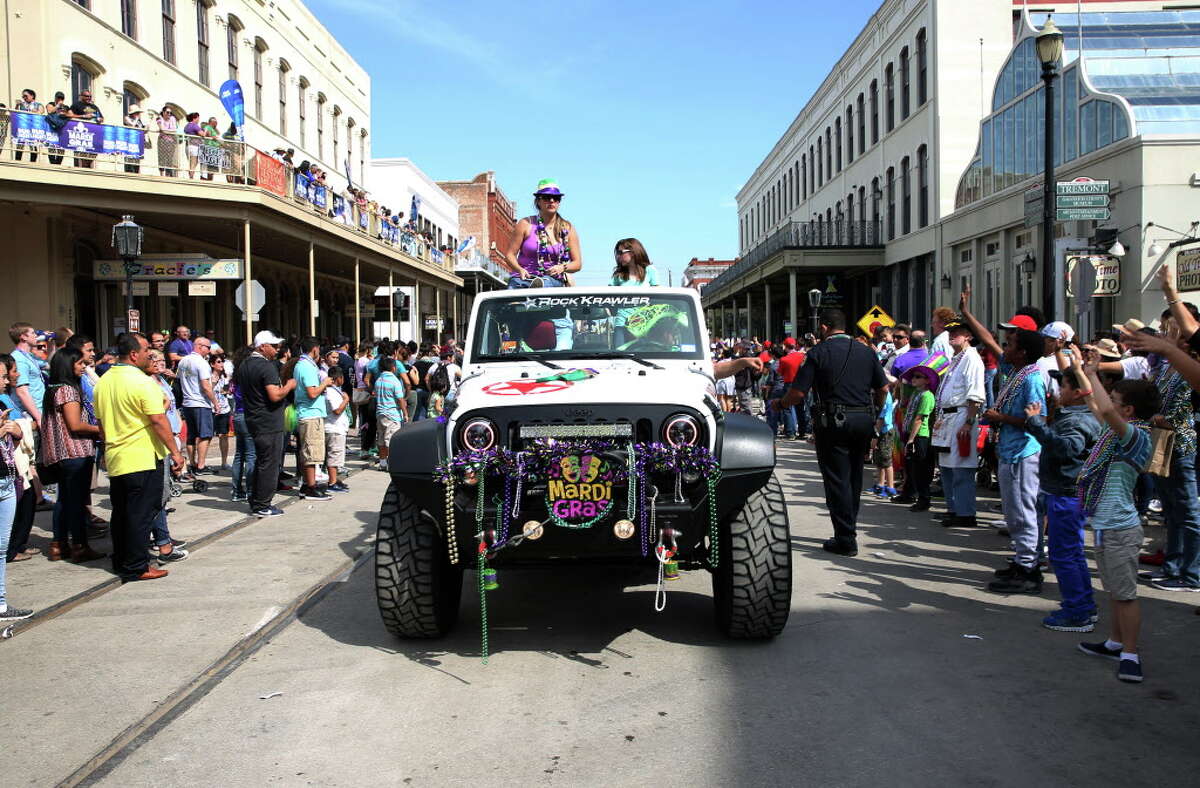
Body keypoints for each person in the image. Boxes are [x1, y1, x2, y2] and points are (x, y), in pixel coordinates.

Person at [773, 308, 887, 556]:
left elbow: (798, 393)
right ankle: (849, 528)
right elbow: (884, 388)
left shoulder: (817, 353)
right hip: (863, 419)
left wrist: (780, 404)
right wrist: (875, 412)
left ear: (823, 328)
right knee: (854, 477)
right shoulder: (867, 352)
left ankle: (845, 538)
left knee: (837, 479)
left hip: (833, 421)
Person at [1075, 355, 1160, 683]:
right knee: (1114, 589)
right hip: (1105, 524)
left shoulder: (1136, 437)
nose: (1108, 401)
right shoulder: (1118, 432)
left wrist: (1095, 372)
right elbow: (1100, 408)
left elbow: (1105, 411)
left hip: (1121, 527)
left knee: (1125, 594)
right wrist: (1085, 375)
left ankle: (1131, 653)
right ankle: (1114, 642)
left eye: (1116, 399)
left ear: (1128, 411)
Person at [93, 333, 185, 583]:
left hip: (117, 456)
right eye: (146, 350)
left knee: (122, 512)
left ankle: (122, 559)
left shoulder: (104, 381)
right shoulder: (143, 383)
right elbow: (158, 419)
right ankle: (136, 565)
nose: (150, 354)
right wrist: (175, 452)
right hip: (142, 456)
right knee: (141, 514)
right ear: (134, 354)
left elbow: (101, 423)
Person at [1021, 363, 1102, 631]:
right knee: (1072, 554)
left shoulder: (1077, 420)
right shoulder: (1075, 416)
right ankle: (1082, 605)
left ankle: (1078, 612)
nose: (1058, 391)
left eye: (1064, 386)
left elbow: (1067, 448)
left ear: (1078, 392)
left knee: (1064, 555)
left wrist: (1035, 423)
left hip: (1066, 495)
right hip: (1066, 493)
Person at [983, 328, 1047, 594]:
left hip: (1024, 452)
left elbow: (1036, 420)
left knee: (1024, 512)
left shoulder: (1032, 379)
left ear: (1022, 353)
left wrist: (1001, 419)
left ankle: (1029, 569)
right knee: (1013, 512)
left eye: (1009, 345)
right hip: (1009, 450)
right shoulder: (1016, 374)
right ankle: (1021, 559)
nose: (1004, 349)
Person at [39, 346, 104, 563]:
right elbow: (75, 425)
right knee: (76, 502)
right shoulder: (67, 390)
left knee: (64, 500)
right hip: (74, 452)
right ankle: (79, 545)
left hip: (60, 454)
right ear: (68, 365)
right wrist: (103, 430)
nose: (84, 368)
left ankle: (58, 544)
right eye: (80, 364)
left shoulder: (53, 389)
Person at [926, 321, 985, 525]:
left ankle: (966, 513)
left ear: (968, 335)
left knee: (961, 467)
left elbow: (975, 394)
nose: (952, 335)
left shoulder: (972, 358)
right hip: (948, 418)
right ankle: (954, 508)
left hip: (961, 416)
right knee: (947, 467)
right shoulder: (956, 358)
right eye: (950, 332)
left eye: (957, 332)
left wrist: (969, 422)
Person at [234, 331, 296, 518]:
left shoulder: (245, 364)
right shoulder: (265, 366)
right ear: (262, 346)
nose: (277, 349)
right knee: (269, 463)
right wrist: (289, 385)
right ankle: (262, 504)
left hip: (253, 418)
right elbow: (274, 395)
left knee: (261, 461)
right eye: (274, 346)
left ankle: (256, 500)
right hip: (268, 422)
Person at [502, 179, 583, 288]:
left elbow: (577, 263)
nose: (551, 201)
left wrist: (561, 268)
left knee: (546, 283)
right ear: (538, 201)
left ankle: (538, 287)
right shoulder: (525, 224)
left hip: (551, 280)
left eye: (556, 198)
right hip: (523, 278)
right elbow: (509, 255)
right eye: (546, 197)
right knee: (512, 297)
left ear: (559, 201)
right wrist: (519, 270)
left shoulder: (567, 228)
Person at [1, 400, 34, 621]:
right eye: (2, 375)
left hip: (6, 480)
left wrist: (16, 433)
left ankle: (1, 604)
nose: (4, 380)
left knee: (2, 548)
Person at [292, 337, 332, 501]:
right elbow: (312, 392)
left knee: (309, 451)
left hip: (308, 412)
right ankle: (311, 487)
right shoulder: (306, 367)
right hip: (310, 413)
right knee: (311, 452)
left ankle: (307, 485)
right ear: (315, 349)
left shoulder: (302, 365)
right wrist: (325, 383)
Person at [901, 357, 941, 512]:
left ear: (926, 380)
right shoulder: (917, 394)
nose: (914, 379)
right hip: (914, 434)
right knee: (914, 468)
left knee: (922, 469)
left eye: (918, 376)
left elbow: (919, 418)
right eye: (914, 376)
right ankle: (918, 497)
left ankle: (924, 499)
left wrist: (911, 439)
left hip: (921, 436)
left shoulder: (926, 396)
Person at [176, 336, 218, 474]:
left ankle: (192, 463)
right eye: (208, 347)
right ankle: (201, 466)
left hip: (188, 402)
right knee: (205, 435)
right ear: (200, 346)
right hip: (200, 402)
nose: (209, 350)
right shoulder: (201, 363)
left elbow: (180, 379)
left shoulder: (183, 361)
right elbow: (206, 386)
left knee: (192, 435)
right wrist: (215, 403)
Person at [228, 345, 256, 503]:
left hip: (238, 414)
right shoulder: (247, 376)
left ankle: (237, 490)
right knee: (251, 454)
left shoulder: (236, 376)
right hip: (247, 415)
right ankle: (251, 491)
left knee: (240, 455)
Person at [373, 357, 408, 468]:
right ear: (393, 368)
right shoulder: (394, 381)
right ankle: (392, 463)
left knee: (382, 439)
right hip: (392, 414)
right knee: (391, 440)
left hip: (380, 413)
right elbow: (400, 399)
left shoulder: (378, 380)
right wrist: (405, 413)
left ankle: (382, 462)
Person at [323, 366, 350, 493]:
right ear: (339, 378)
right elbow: (337, 410)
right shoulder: (330, 392)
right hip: (334, 428)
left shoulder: (335, 390)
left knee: (336, 456)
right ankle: (332, 482)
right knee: (334, 456)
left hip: (337, 427)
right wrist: (346, 400)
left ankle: (335, 479)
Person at [870, 382, 897, 498]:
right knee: (879, 458)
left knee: (886, 460)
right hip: (880, 430)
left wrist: (875, 436)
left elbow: (881, 419)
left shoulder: (885, 396)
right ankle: (880, 484)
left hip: (885, 431)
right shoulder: (880, 394)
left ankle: (890, 487)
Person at [211, 353, 233, 469]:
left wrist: (229, 390)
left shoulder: (225, 377)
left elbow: (228, 390)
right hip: (212, 409)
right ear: (212, 364)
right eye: (219, 362)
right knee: (207, 436)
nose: (221, 364)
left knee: (224, 435)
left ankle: (224, 462)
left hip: (224, 409)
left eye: (222, 362)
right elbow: (207, 390)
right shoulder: (209, 376)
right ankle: (201, 463)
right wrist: (214, 381)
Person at [13, 89, 43, 162]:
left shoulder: (37, 104)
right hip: (23, 127)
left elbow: (41, 111)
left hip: (33, 128)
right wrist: (17, 105)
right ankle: (17, 161)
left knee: (33, 145)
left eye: (26, 96)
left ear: (32, 96)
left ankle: (33, 162)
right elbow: (15, 112)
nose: (24, 98)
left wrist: (35, 111)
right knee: (20, 144)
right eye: (23, 96)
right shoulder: (22, 104)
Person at [155, 106, 179, 177]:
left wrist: (165, 131)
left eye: (170, 113)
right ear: (163, 112)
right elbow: (162, 129)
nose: (169, 114)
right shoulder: (159, 118)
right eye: (167, 112)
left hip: (171, 141)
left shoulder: (173, 118)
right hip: (162, 141)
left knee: (169, 159)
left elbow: (174, 130)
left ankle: (168, 175)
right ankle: (162, 175)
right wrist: (165, 131)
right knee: (162, 158)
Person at [123, 105, 146, 174]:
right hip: (129, 142)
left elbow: (142, 129)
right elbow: (132, 125)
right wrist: (136, 119)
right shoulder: (126, 118)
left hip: (137, 143)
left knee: (136, 162)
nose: (138, 114)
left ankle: (136, 171)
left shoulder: (139, 121)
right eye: (137, 113)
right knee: (129, 161)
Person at [183, 112, 202, 179]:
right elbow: (202, 134)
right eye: (198, 118)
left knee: (192, 162)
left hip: (188, 146)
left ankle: (191, 175)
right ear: (194, 118)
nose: (198, 120)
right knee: (193, 162)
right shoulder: (194, 125)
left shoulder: (187, 126)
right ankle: (191, 176)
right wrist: (206, 130)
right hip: (194, 146)